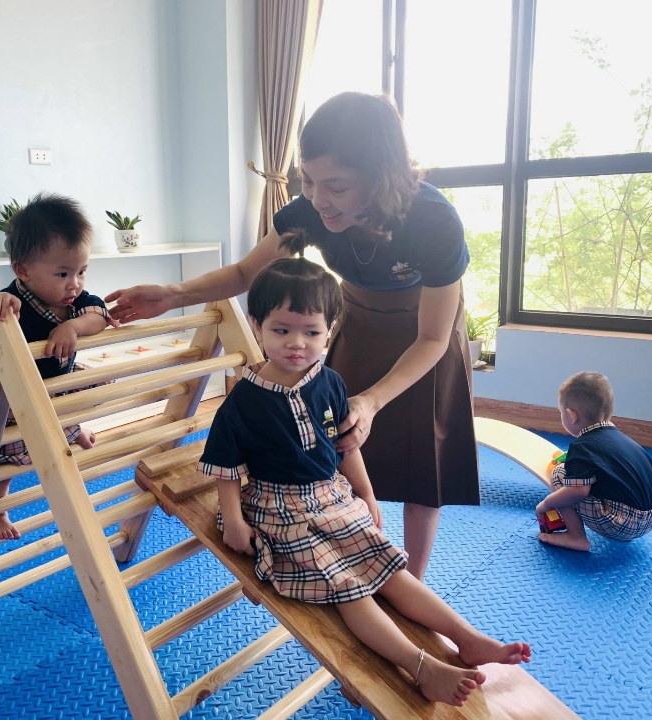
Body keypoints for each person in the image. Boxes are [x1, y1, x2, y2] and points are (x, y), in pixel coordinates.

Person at [107, 91, 478, 580]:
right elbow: (246, 272)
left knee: (420, 464)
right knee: (337, 439)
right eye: (309, 180)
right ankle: (346, 555)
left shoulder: (433, 220)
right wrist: (173, 293)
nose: (319, 199)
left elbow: (432, 339)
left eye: (337, 186)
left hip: (423, 333)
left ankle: (415, 583)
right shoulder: (310, 210)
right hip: (357, 317)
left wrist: (373, 400)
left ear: (380, 177)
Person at [199, 243, 530, 706]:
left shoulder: (329, 382)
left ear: (329, 331)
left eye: (311, 332)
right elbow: (226, 470)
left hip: (332, 498)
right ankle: (421, 667)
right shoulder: (245, 400)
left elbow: (345, 445)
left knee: (390, 568)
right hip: (280, 511)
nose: (297, 343)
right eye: (281, 330)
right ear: (256, 326)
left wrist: (367, 494)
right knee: (349, 588)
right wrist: (234, 522)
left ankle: (466, 637)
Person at [0, 193, 116, 541]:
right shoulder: (8, 305)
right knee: (1, 466)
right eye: (63, 273)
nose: (75, 283)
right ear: (23, 270)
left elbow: (100, 316)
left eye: (82, 271)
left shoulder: (76, 302)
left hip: (56, 390)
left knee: (85, 391)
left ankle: (71, 429)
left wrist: (72, 326)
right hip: (13, 400)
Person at [536, 371, 652, 552]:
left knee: (559, 473)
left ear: (572, 415)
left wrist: (546, 504)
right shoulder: (622, 439)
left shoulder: (581, 446)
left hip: (622, 523)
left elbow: (578, 491)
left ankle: (576, 537)